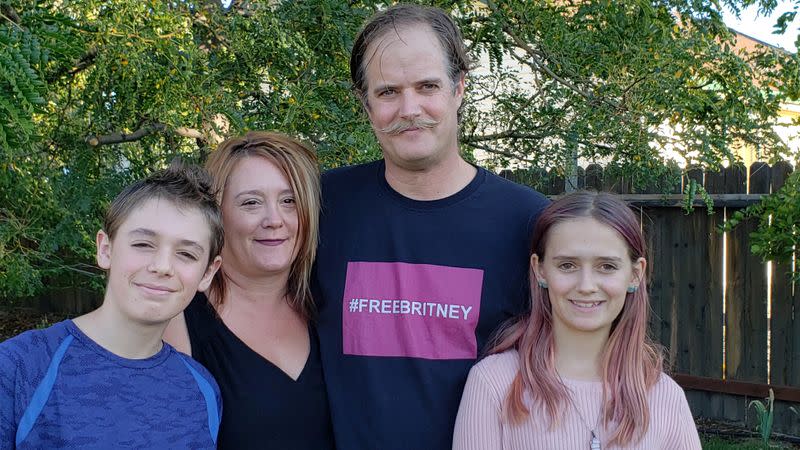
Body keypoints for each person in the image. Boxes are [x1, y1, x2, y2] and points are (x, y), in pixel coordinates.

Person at [313, 4, 549, 449]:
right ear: (365, 105)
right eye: (387, 92)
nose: (409, 108)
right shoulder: (320, 207)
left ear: (459, 88)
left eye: (427, 86)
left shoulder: (530, 222)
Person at [452, 192, 702, 449]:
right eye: (568, 265)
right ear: (540, 270)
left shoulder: (666, 397)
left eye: (606, 266)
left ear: (635, 274)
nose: (586, 286)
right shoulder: (494, 383)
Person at [0, 162, 224, 449]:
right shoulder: (19, 368)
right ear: (105, 249)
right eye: (143, 244)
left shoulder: (202, 390)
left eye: (186, 253)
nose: (162, 266)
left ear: (207, 273)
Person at [164, 131, 335, 449]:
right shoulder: (179, 321)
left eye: (289, 201)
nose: (274, 219)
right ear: (217, 215)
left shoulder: (326, 307)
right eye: (251, 203)